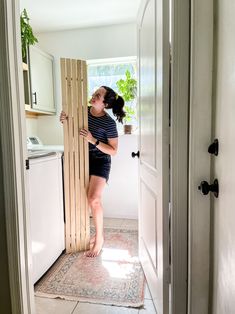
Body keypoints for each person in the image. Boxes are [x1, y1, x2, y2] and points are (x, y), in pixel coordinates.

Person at [60, 86, 125, 257]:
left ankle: (100, 238)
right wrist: (65, 119)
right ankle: (83, 236)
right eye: (94, 93)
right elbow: (72, 127)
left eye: (97, 95)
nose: (93, 96)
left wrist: (93, 140)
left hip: (100, 161)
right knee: (81, 199)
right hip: (81, 158)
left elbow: (113, 150)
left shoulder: (109, 123)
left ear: (105, 104)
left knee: (93, 199)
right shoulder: (81, 111)